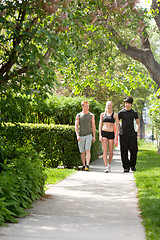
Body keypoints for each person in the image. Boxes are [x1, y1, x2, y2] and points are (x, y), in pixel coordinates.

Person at [118, 96, 140, 172]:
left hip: (132, 134)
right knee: (124, 151)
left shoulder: (134, 113)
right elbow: (117, 123)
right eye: (126, 103)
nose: (127, 105)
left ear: (131, 104)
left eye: (128, 103)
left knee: (134, 150)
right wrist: (118, 131)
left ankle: (132, 165)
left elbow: (138, 123)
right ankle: (126, 167)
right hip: (123, 134)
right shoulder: (121, 113)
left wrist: (137, 131)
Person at [75, 100, 96, 171]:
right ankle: (84, 165)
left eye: (88, 106)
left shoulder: (91, 115)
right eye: (86, 106)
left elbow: (93, 126)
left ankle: (87, 164)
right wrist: (77, 135)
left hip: (88, 135)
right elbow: (76, 126)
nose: (87, 107)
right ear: (82, 106)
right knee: (82, 151)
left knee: (87, 150)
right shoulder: (78, 115)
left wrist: (94, 136)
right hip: (81, 135)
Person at [99, 101, 119, 173]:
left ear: (112, 106)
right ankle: (106, 166)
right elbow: (100, 125)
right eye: (108, 105)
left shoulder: (115, 115)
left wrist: (116, 137)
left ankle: (109, 164)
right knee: (105, 150)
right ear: (106, 106)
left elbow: (117, 126)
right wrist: (100, 135)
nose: (109, 106)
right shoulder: (102, 114)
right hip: (104, 132)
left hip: (111, 133)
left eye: (110, 105)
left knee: (110, 151)